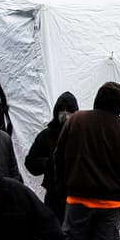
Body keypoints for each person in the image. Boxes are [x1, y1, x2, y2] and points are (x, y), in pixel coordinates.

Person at [52, 81, 120, 240]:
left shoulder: (76, 120)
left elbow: (58, 157)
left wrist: (64, 188)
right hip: (110, 203)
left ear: (97, 98)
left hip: (77, 200)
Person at [24, 91, 78, 220]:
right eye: (61, 109)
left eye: (69, 110)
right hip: (54, 196)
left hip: (76, 196)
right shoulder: (46, 135)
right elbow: (30, 162)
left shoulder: (80, 134)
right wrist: (47, 163)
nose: (65, 114)